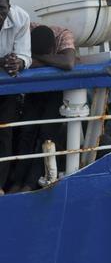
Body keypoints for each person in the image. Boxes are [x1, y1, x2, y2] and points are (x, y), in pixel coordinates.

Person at [9, 24, 75, 193]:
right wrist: (50, 60)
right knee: (26, 134)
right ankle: (17, 183)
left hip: (55, 91)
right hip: (34, 91)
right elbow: (24, 64)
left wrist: (35, 58)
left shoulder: (63, 35)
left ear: (54, 47)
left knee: (46, 138)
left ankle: (29, 184)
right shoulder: (24, 31)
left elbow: (67, 63)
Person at [0, 0, 31, 195]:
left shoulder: (20, 18)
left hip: (7, 87)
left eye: (1, 9)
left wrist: (18, 62)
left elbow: (25, 54)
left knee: (4, 135)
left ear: (9, 8)